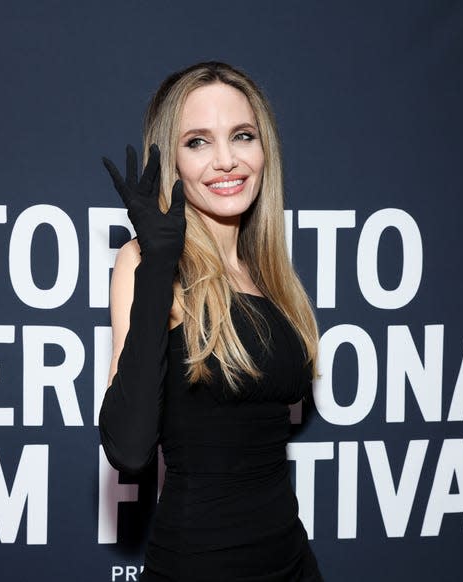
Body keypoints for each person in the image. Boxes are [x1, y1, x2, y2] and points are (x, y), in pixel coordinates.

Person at [99, 61, 323, 581]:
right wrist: (158, 266)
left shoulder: (267, 269)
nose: (226, 160)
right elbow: (129, 450)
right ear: (169, 159)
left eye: (242, 136)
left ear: (264, 149)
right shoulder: (147, 263)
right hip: (199, 567)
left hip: (291, 561)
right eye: (197, 142)